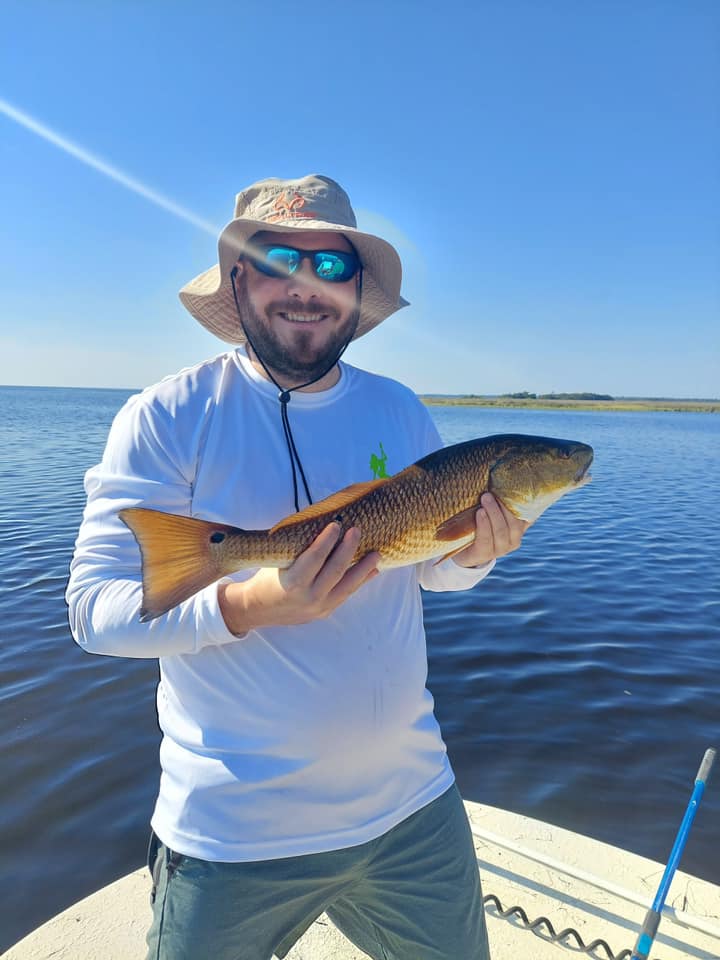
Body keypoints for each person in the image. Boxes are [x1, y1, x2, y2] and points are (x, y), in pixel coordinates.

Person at [66, 174, 528, 960]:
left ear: (356, 291)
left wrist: (475, 556)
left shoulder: (399, 409)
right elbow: (94, 614)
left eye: (334, 267)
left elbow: (424, 570)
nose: (305, 287)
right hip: (230, 836)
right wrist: (246, 605)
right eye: (278, 258)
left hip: (413, 810)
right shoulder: (168, 415)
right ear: (238, 277)